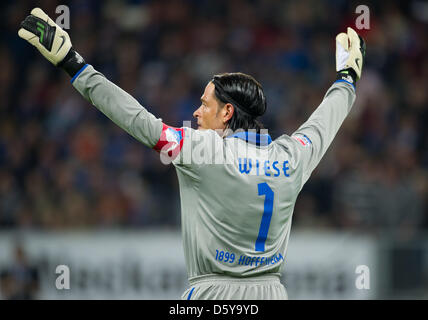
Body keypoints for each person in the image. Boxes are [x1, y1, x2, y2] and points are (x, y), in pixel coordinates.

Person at [18, 8, 365, 300]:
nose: (196, 113)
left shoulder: (202, 150)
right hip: (273, 293)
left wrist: (74, 65)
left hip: (212, 295)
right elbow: (323, 124)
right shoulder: (292, 156)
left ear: (227, 112)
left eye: (204, 104)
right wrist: (347, 79)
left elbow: (137, 120)